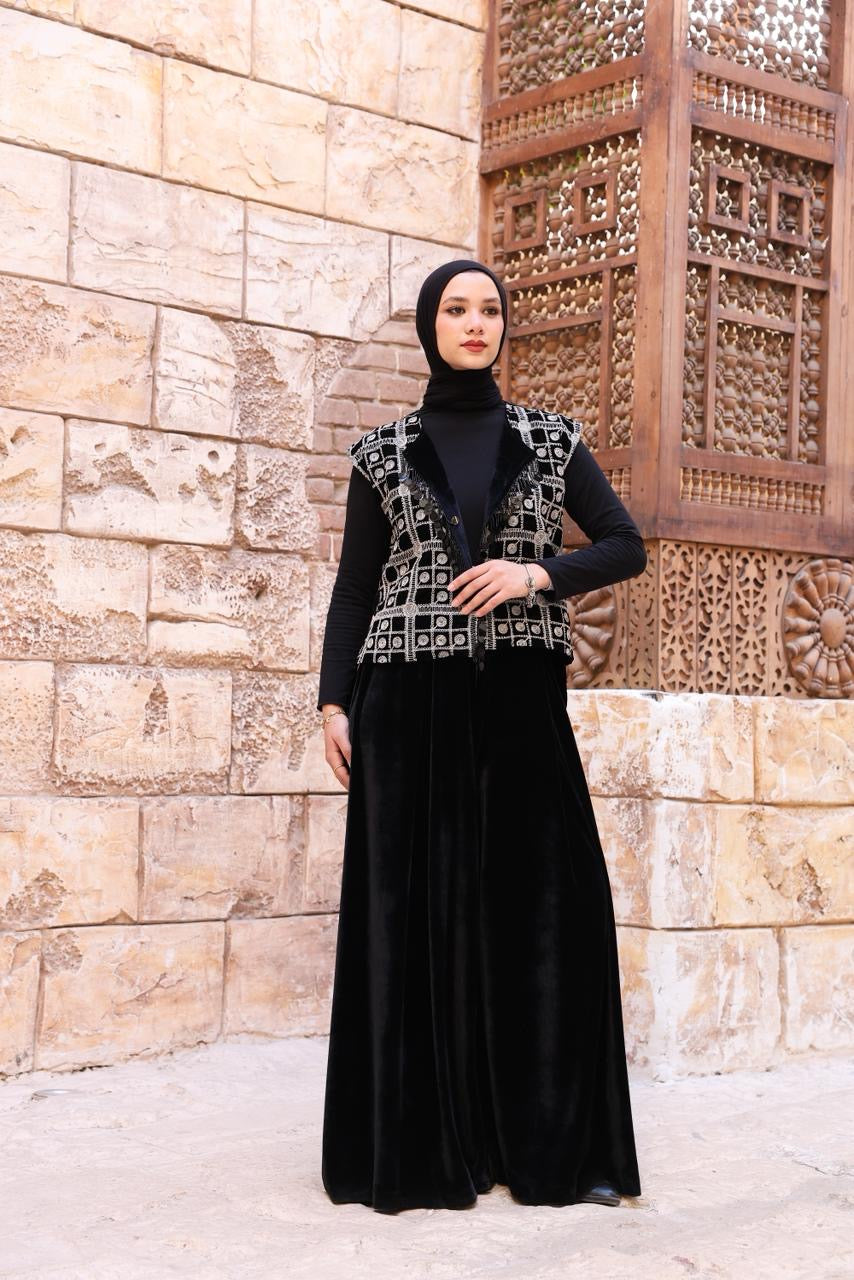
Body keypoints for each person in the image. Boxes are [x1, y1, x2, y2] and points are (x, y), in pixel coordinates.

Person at [317, 258, 646, 1214]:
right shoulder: (382, 452)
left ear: (505, 326)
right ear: (432, 325)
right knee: (414, 919)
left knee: (551, 907)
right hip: (405, 702)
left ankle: (555, 1147)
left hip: (519, 697)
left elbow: (623, 544)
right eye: (456, 309)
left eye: (490, 309)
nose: (475, 322)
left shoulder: (550, 438)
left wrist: (533, 575)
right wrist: (333, 704)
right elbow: (355, 586)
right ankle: (426, 1149)